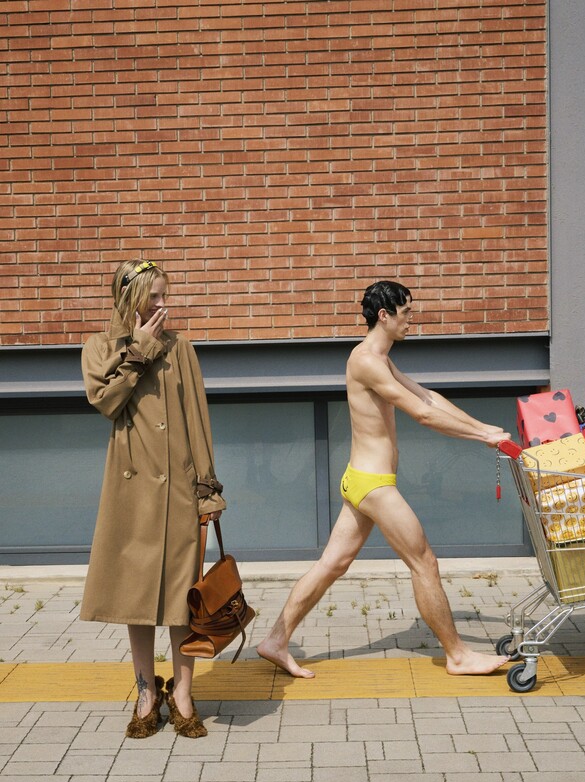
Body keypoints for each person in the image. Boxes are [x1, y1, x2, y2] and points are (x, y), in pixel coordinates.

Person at [257, 280, 511, 678]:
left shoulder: (380, 358)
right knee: (424, 562)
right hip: (374, 486)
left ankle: (275, 640)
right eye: (406, 313)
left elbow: (427, 397)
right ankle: (458, 655)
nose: (412, 320)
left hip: (364, 480)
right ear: (384, 315)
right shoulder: (366, 361)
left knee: (331, 564)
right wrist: (481, 438)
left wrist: (483, 426)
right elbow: (422, 414)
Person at [80, 259, 226, 738]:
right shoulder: (100, 347)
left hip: (180, 488)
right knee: (136, 597)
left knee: (184, 598)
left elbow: (198, 418)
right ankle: (146, 691)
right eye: (154, 297)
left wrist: (208, 488)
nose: (164, 304)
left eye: (166, 294)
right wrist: (139, 349)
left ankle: (182, 693)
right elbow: (105, 402)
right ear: (131, 299)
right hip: (131, 491)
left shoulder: (180, 348)